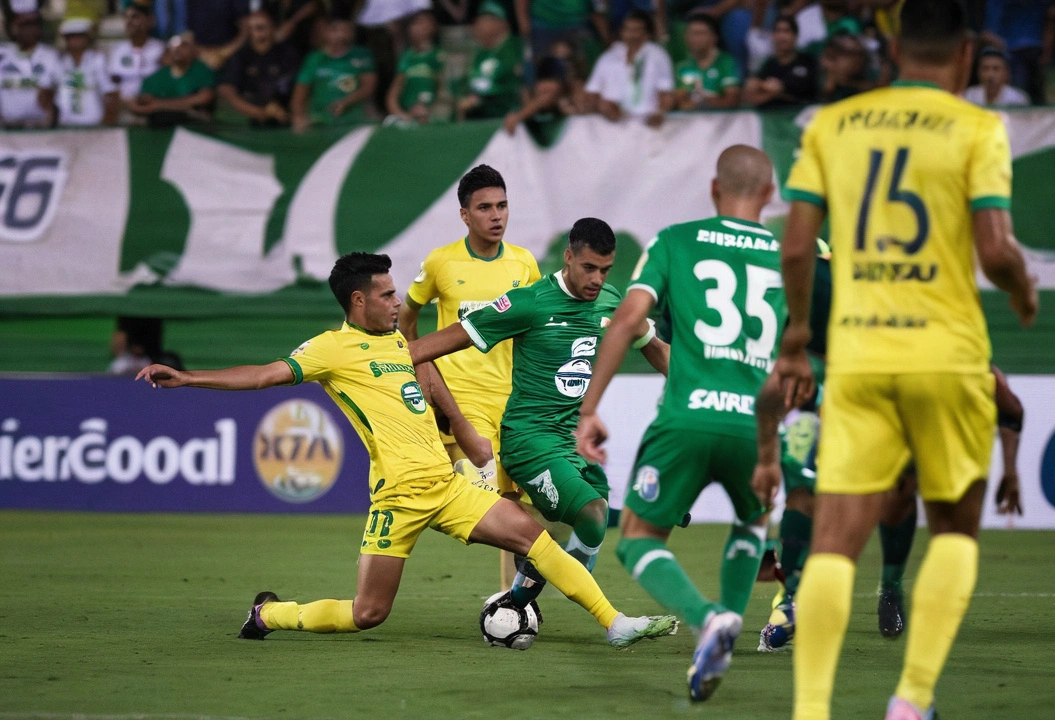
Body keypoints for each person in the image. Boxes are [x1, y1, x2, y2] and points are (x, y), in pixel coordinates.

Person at [136, 252, 679, 649]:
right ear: (358, 300)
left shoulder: (401, 343)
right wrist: (188, 378)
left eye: (397, 293)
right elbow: (263, 376)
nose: (398, 302)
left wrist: (463, 429)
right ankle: (271, 614)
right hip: (397, 498)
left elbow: (427, 375)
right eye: (388, 294)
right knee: (369, 614)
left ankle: (614, 623)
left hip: (446, 486)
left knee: (534, 539)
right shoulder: (330, 349)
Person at [773, 0, 1039, 716]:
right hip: (947, 355)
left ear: (892, 54)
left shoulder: (831, 125)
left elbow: (797, 247)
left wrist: (799, 334)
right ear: (962, 59)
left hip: (858, 357)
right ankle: (911, 700)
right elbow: (995, 249)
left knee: (833, 539)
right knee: (953, 526)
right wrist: (1022, 289)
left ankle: (811, 709)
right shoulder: (980, 126)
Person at [575, 146, 782, 702]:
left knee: (639, 537)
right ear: (769, 194)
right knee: (752, 523)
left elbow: (627, 320)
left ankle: (707, 619)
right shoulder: (793, 259)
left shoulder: (674, 241)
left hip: (686, 419)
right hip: (755, 424)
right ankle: (727, 631)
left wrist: (590, 409)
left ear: (714, 189)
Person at [752, 253, 1027, 650]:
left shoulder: (947, 352)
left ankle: (891, 585)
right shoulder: (825, 295)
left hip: (894, 408)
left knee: (900, 493)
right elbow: (775, 383)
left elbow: (1011, 410)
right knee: (806, 483)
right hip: (835, 398)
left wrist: (1012, 471)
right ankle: (794, 596)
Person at [409, 218, 670, 626]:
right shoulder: (529, 302)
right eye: (589, 268)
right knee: (593, 513)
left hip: (572, 442)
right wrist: (390, 359)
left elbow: (653, 348)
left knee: (593, 527)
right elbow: (449, 337)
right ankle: (606, 621)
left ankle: (514, 603)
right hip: (528, 439)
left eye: (605, 270)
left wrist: (699, 385)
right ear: (568, 258)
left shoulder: (613, 302)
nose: (597, 279)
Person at [399, 165, 543, 590]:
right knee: (486, 502)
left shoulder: (523, 262)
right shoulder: (441, 262)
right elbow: (407, 320)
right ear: (465, 215)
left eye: (502, 206)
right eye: (484, 208)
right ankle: (510, 602)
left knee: (518, 505)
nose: (496, 216)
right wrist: (423, 368)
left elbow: (536, 324)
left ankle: (517, 601)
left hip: (513, 403)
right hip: (462, 403)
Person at [584, 9, 674, 126]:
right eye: (627, 29)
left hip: (648, 122)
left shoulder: (658, 56)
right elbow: (592, 92)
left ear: (647, 34)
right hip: (612, 124)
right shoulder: (608, 57)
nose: (631, 34)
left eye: (636, 30)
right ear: (621, 32)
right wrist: (602, 107)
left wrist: (660, 112)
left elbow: (666, 92)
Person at [291, 16, 377, 131]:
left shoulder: (362, 55)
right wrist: (299, 117)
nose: (341, 35)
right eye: (335, 29)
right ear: (326, 31)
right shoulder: (314, 58)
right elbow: (300, 92)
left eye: (346, 30)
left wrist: (345, 102)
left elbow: (368, 87)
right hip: (319, 121)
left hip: (354, 122)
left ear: (353, 32)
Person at [217, 11, 300, 127]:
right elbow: (227, 89)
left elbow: (295, 85)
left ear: (273, 28)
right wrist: (255, 111)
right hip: (248, 116)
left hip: (282, 116)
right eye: (251, 28)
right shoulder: (241, 56)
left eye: (261, 27)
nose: (256, 32)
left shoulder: (286, 54)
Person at [127, 33, 217, 127]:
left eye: (184, 45)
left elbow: (204, 98)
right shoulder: (157, 77)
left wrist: (159, 105)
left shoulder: (202, 71)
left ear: (194, 49)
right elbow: (143, 102)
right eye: (174, 46)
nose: (178, 49)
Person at [457, 2, 526, 121]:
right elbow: (469, 82)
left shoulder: (514, 47)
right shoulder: (480, 53)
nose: (477, 26)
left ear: (501, 23)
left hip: (504, 113)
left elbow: (510, 81)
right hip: (478, 112)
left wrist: (477, 98)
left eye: (484, 21)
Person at [55, 18, 121, 127]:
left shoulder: (98, 60)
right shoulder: (59, 62)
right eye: (72, 36)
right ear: (66, 39)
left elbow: (110, 93)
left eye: (80, 36)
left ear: (87, 38)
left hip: (94, 124)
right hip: (65, 124)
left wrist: (107, 122)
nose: (76, 40)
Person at [744, 15, 819, 108]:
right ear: (772, 36)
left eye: (786, 31)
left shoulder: (808, 62)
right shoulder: (767, 65)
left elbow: (808, 92)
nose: (782, 36)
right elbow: (753, 95)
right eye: (778, 31)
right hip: (771, 117)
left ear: (795, 35)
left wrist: (775, 91)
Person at [107, 1, 165, 119]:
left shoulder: (160, 49)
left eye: (135, 17)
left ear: (150, 21)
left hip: (154, 109)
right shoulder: (118, 50)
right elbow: (113, 83)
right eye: (126, 18)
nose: (129, 22)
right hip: (124, 109)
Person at [0, 12, 58, 129]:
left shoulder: (50, 55)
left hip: (41, 125)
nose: (28, 30)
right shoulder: (3, 53)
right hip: (7, 126)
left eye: (32, 25)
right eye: (23, 25)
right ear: (13, 28)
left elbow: (56, 88)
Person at [386, 10, 444, 125]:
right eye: (417, 23)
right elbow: (392, 96)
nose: (420, 27)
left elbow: (443, 91)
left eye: (426, 23)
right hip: (408, 116)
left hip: (432, 116)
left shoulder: (439, 56)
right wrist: (403, 115)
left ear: (434, 28)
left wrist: (429, 112)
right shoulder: (406, 57)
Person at [674, 13, 743, 110]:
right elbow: (679, 101)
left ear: (714, 37)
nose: (695, 38)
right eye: (691, 33)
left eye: (700, 33)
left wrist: (703, 102)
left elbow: (732, 100)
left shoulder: (726, 62)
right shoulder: (682, 67)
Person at [963, 47, 1030, 107]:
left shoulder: (1018, 99)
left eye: (996, 69)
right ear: (978, 72)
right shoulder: (968, 95)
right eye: (985, 68)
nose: (990, 75)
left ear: (1006, 73)